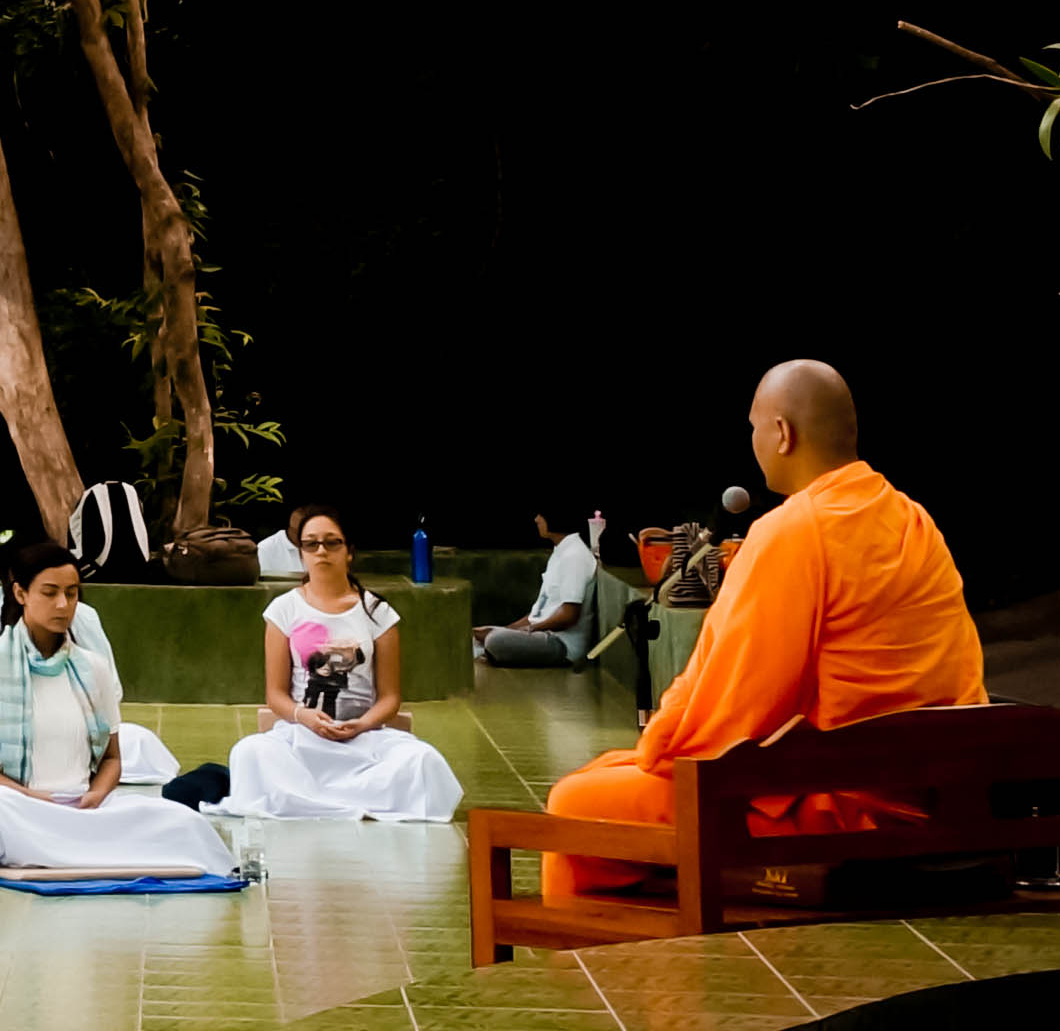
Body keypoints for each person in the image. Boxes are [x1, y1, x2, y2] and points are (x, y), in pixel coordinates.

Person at [542, 362, 988, 886]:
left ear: (781, 433)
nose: (753, 442)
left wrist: (658, 743)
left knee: (575, 802)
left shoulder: (794, 529)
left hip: (847, 807)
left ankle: (619, 940)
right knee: (616, 773)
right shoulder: (914, 519)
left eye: (753, 428)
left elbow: (733, 711)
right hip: (934, 791)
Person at [0, 552, 235, 880]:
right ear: (20, 594)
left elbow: (112, 759)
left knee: (183, 821)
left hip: (82, 810)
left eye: (72, 593)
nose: (63, 604)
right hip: (18, 807)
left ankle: (57, 852)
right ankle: (76, 852)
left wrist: (96, 795)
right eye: (50, 593)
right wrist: (28, 796)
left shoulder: (94, 668)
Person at [221, 516, 466, 824]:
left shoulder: (377, 612)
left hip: (363, 740)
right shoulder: (283, 610)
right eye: (311, 544)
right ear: (302, 554)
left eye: (331, 543)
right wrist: (303, 716)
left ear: (349, 552)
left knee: (424, 761)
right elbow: (275, 695)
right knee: (248, 753)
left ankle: (313, 801)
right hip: (303, 737)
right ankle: (339, 801)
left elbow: (390, 698)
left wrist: (361, 724)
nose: (321, 551)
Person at [477, 511, 606, 671]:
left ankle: (489, 648)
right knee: (479, 634)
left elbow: (569, 616)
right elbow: (536, 615)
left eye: (541, 515)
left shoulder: (575, 556)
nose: (536, 519)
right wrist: (507, 629)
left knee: (495, 641)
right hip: (542, 633)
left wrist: (530, 630)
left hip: (562, 643)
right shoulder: (561, 551)